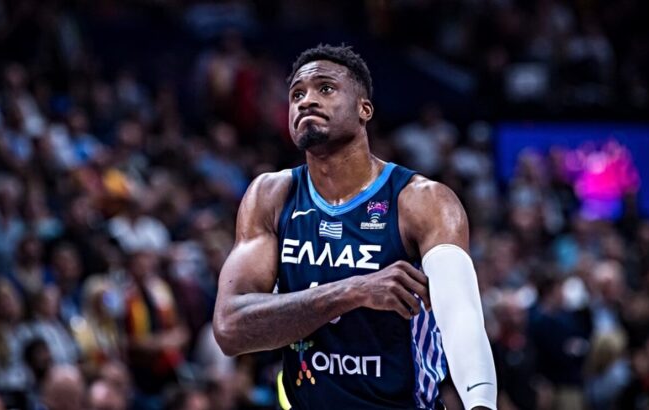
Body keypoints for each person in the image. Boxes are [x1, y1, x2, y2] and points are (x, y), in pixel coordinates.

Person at [213, 44, 497, 409]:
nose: (306, 101)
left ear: (364, 109)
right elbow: (230, 329)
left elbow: (461, 318)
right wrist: (354, 290)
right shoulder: (272, 195)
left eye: (325, 88)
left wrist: (481, 403)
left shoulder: (422, 200)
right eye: (297, 94)